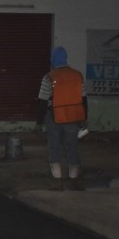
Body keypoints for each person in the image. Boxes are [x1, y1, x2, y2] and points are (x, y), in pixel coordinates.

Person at [36, 46, 88, 190]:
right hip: (73, 117)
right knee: (71, 147)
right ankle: (73, 180)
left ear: (52, 59)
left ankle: (57, 182)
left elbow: (42, 101)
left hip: (54, 117)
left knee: (54, 148)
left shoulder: (49, 77)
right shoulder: (77, 75)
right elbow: (84, 99)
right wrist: (84, 119)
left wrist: (39, 122)